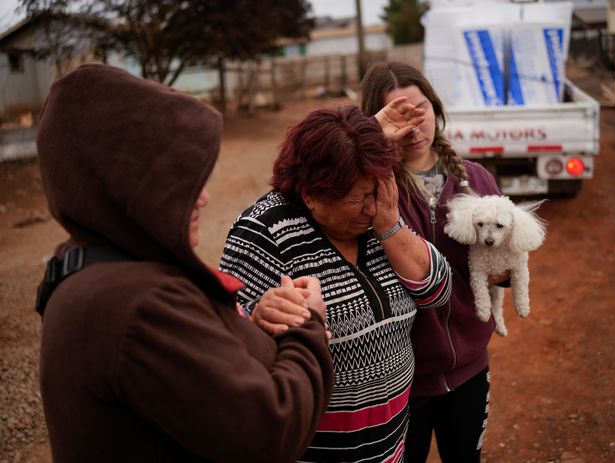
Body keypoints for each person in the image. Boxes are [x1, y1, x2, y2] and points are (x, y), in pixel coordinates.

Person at [35, 64, 334, 462]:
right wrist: (306, 326)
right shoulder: (142, 304)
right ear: (126, 186)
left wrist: (253, 329)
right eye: (176, 182)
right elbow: (270, 431)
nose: (204, 198)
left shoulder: (85, 268)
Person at [219, 105, 452, 463]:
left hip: (391, 447)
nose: (372, 209)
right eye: (358, 199)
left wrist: (391, 226)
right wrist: (258, 320)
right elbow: (229, 350)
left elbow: (436, 291)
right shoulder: (262, 232)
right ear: (311, 194)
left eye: (377, 193)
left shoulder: (380, 214)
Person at [360, 61, 508, 463]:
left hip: (470, 367)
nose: (414, 126)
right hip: (401, 379)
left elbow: (503, 268)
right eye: (399, 115)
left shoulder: (475, 180)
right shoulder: (371, 191)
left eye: (420, 109)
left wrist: (505, 267)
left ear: (436, 108)